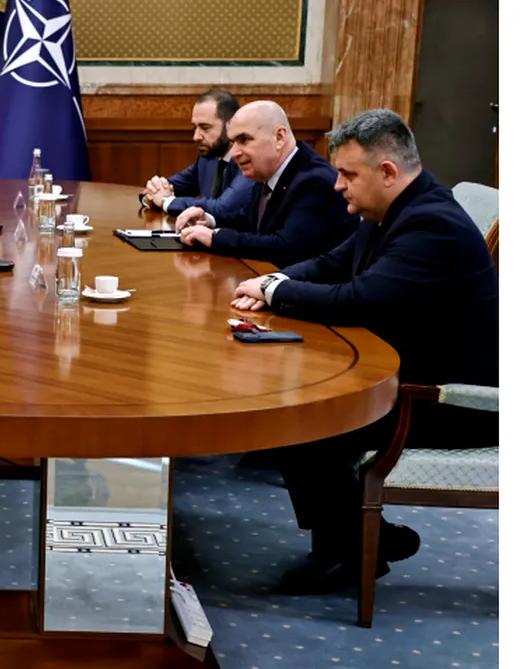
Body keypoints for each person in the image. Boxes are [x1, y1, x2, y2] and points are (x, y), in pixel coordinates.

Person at [230, 109, 499, 595]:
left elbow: (360, 299)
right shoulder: (394, 208)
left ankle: (350, 555)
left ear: (387, 172)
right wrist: (274, 281)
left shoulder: (431, 225)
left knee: (308, 416)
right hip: (409, 372)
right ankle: (362, 537)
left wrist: (275, 293)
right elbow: (333, 263)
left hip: (453, 400)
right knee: (301, 403)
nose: (337, 185)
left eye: (348, 174)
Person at [173, 101, 357, 267]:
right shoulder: (269, 170)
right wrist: (209, 220)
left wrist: (216, 238)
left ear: (279, 137)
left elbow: (285, 247)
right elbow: (249, 220)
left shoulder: (315, 180)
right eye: (233, 142)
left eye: (244, 140)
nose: (235, 153)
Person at [139, 89, 254, 217]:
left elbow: (223, 208)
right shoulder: (208, 158)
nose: (196, 137)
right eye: (195, 128)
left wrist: (166, 201)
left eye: (205, 128)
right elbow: (169, 187)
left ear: (232, 124)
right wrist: (153, 192)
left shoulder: (249, 160)